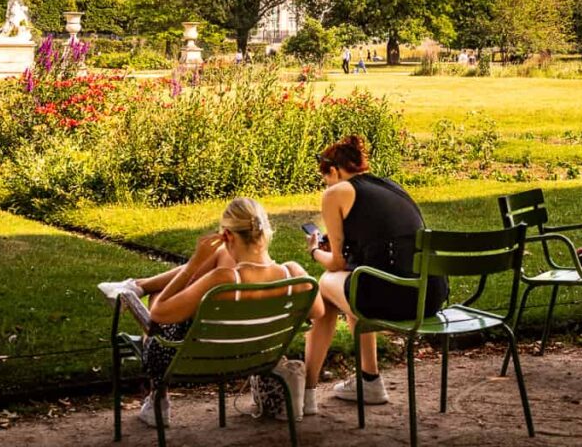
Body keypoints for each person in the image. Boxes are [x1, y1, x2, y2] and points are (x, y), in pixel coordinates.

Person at [98, 198, 323, 427]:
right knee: (182, 303)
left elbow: (158, 313)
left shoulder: (223, 279)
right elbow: (318, 311)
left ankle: (159, 400)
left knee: (158, 298)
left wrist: (194, 264)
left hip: (190, 361)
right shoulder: (294, 273)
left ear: (228, 236)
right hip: (256, 358)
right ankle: (139, 285)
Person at [304, 136, 448, 413]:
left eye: (327, 179)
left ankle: (306, 394)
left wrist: (313, 251)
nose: (328, 186)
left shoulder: (336, 193)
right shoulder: (392, 187)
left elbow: (335, 262)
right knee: (353, 284)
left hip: (394, 295)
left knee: (327, 288)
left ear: (333, 171)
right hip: (429, 295)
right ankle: (369, 380)